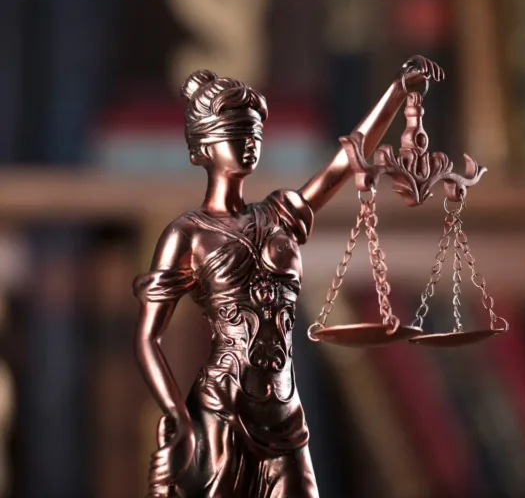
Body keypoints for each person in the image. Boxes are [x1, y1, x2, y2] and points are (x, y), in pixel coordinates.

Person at [133, 57, 443, 497]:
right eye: (234, 134)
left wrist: (396, 92)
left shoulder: (278, 216)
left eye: (254, 134)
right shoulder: (188, 235)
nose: (248, 143)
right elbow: (148, 337)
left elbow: (346, 160)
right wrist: (176, 416)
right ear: (201, 149)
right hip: (223, 414)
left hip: (283, 412)